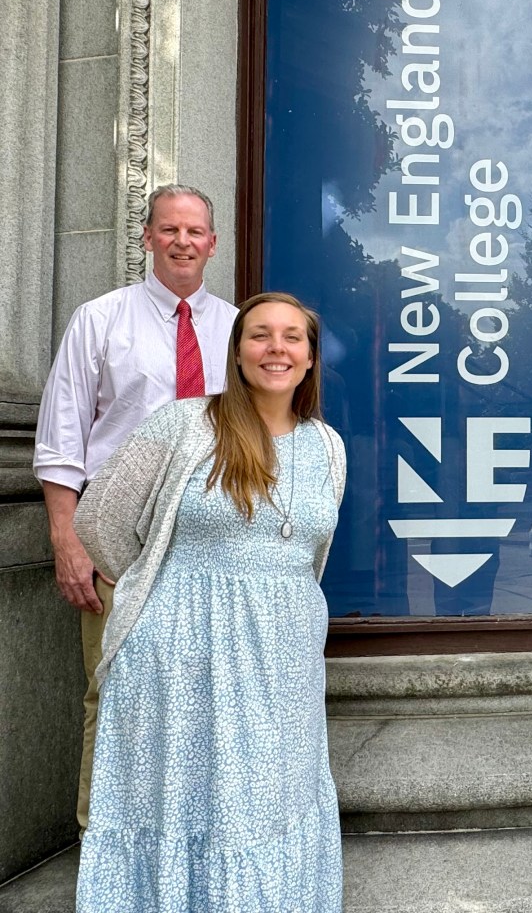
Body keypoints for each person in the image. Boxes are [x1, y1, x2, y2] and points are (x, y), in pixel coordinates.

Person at [72, 292, 346, 912]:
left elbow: (309, 551)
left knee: (271, 798)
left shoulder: (328, 445)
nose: (276, 348)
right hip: (181, 654)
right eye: (260, 335)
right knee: (188, 797)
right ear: (237, 351)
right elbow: (100, 519)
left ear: (310, 358)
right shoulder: (185, 424)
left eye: (292, 337)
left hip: (284, 661)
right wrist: (163, 596)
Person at [33, 184, 237, 832]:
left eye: (195, 232)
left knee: (203, 698)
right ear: (147, 237)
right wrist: (67, 541)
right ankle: (102, 846)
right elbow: (62, 439)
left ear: (213, 244)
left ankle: (183, 843)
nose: (182, 242)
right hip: (116, 538)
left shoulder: (238, 329)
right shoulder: (100, 319)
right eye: (169, 229)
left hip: (210, 537)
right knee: (117, 692)